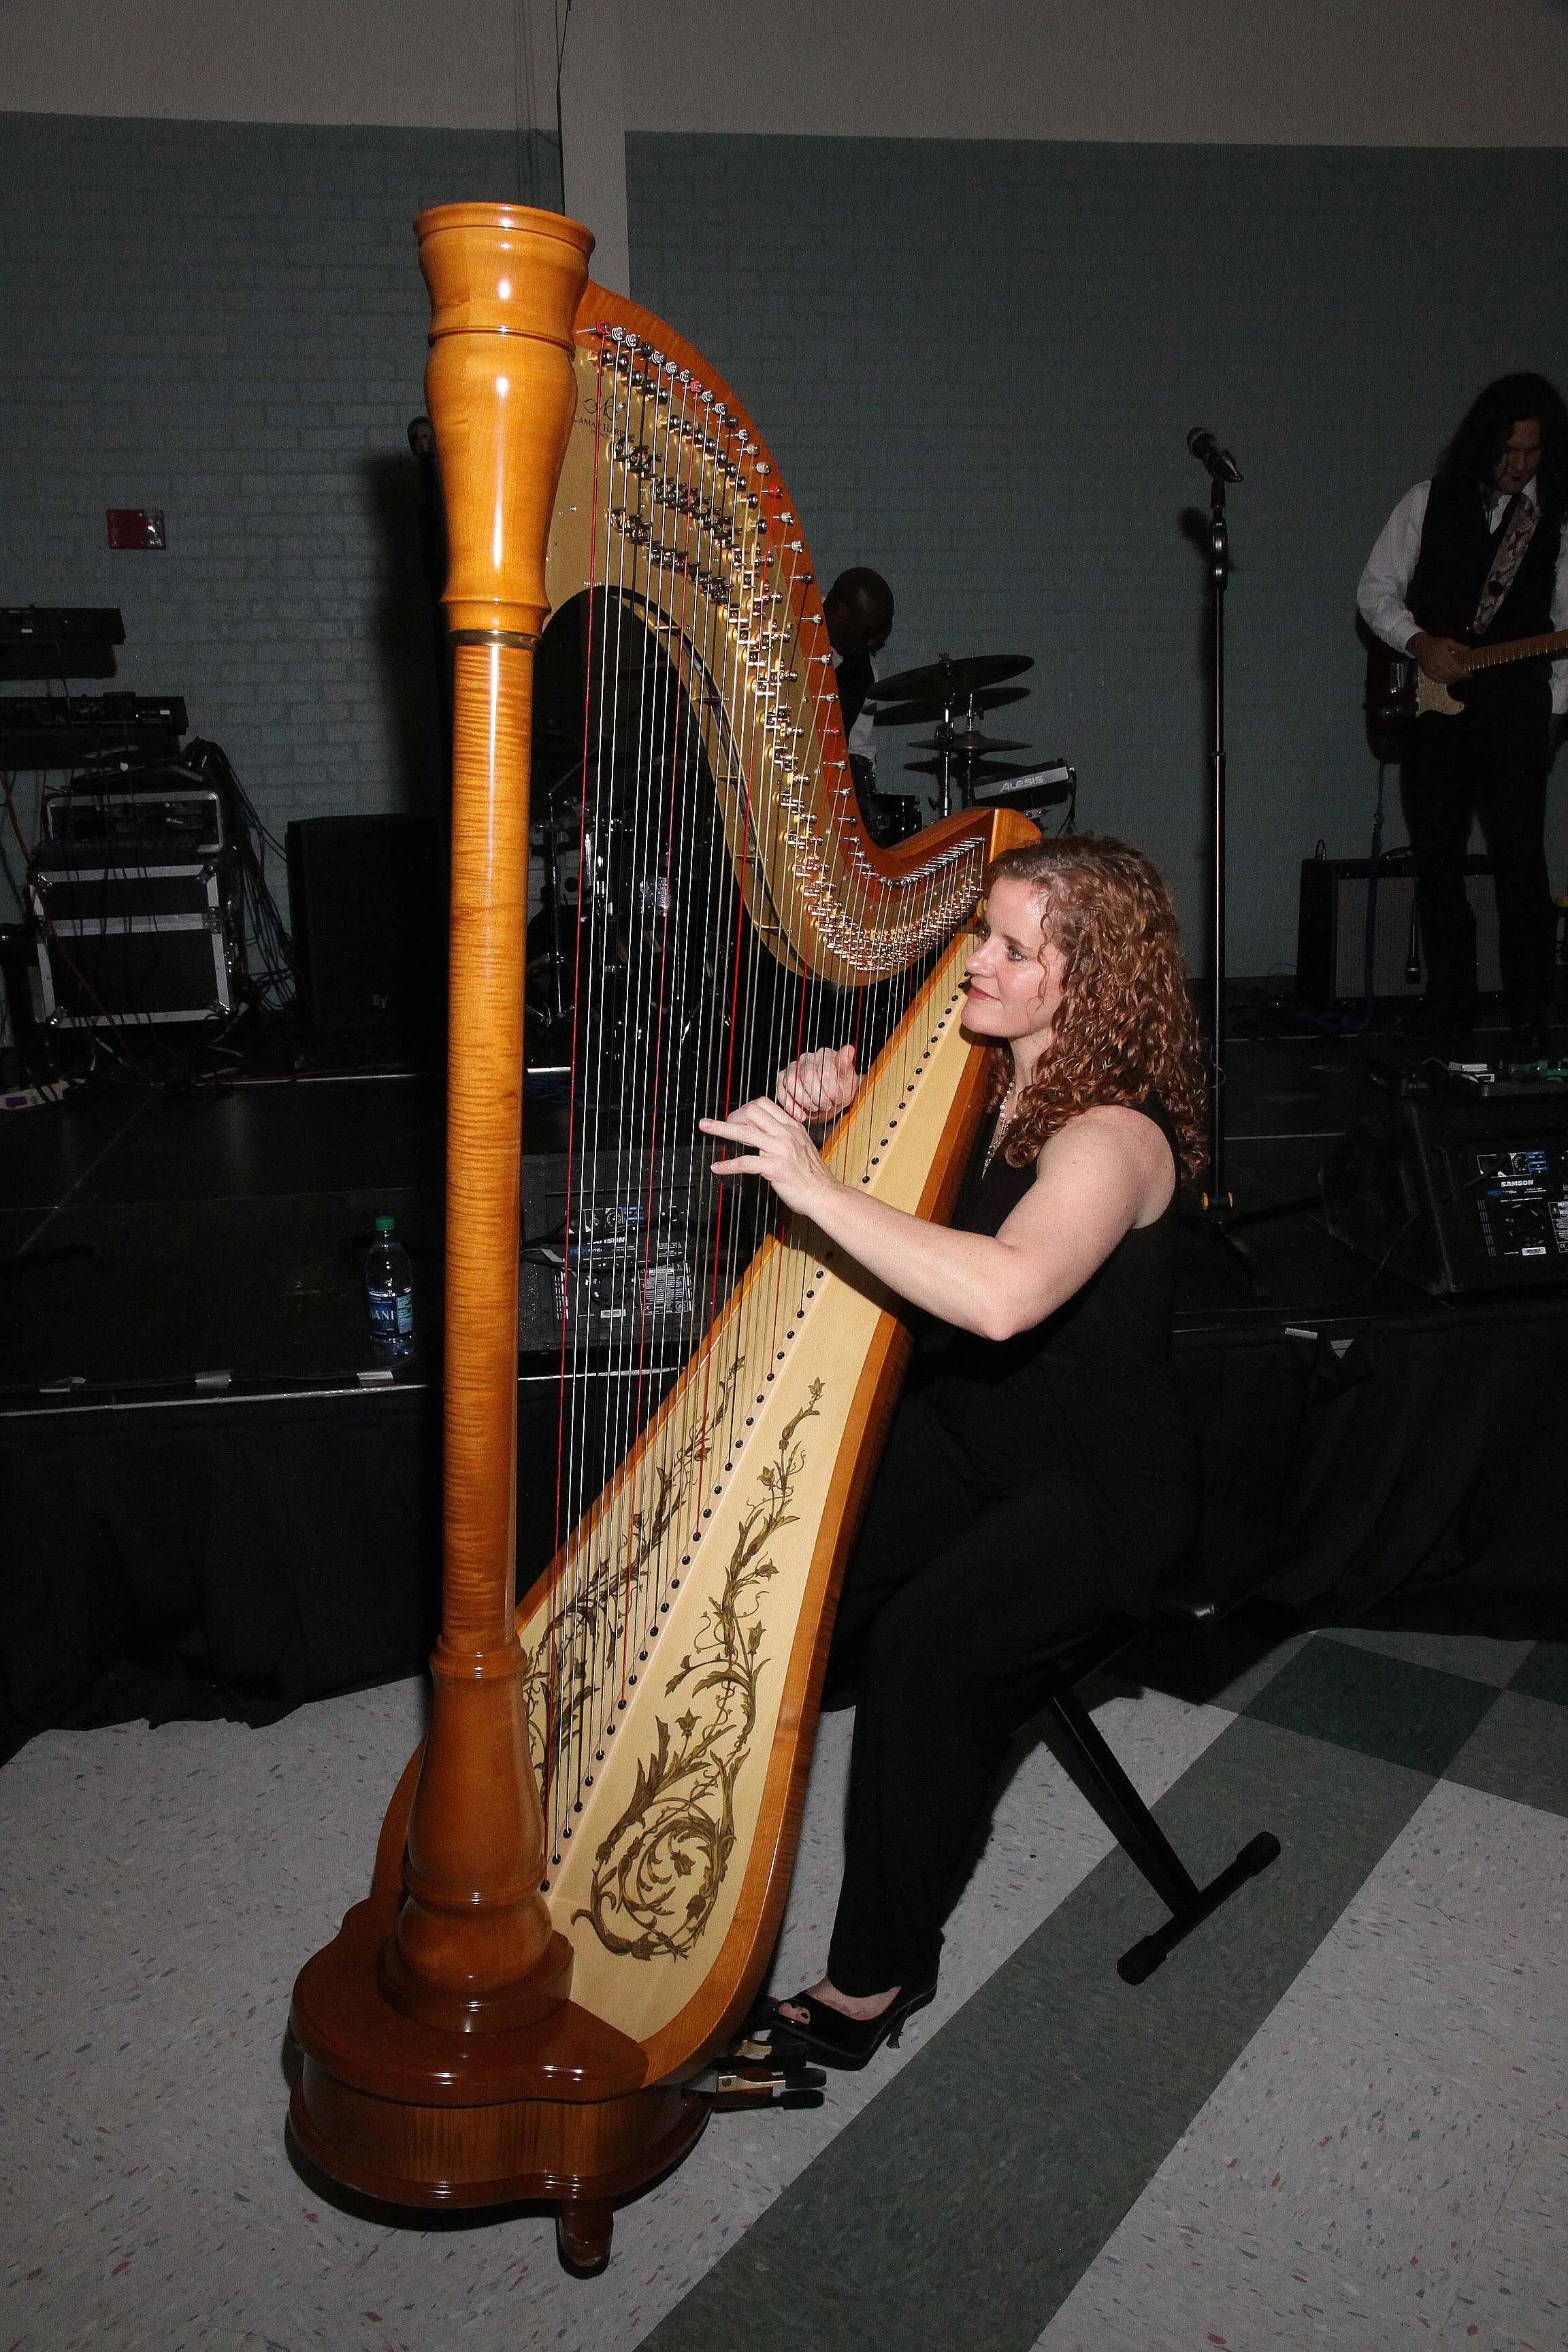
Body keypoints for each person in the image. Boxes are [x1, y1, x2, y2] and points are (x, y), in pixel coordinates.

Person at [699, 832, 1205, 2065]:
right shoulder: (974, 1072)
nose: (973, 961)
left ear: (1081, 984)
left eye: (1008, 948)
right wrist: (838, 1109)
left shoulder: (1113, 1139)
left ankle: (873, 1981)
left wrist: (814, 1186)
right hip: (972, 1431)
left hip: (1091, 1481)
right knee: (768, 1544)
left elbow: (1000, 1298)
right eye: (979, 931)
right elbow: (905, 1200)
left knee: (926, 1652)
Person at [1358, 373, 1568, 1051]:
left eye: (1533, 452)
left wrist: (1553, 715)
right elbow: (1375, 591)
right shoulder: (1426, 501)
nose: (1519, 465)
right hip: (1437, 708)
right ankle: (1452, 1004)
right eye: (1508, 450)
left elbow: (1564, 626)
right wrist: (1421, 644)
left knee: (1520, 863)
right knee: (1440, 861)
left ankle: (1531, 1009)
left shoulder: (1556, 522)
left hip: (1516, 709)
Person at [821, 567, 896, 839]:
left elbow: (851, 747)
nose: (869, 648)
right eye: (865, 637)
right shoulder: (791, 631)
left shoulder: (864, 669)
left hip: (841, 787)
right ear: (841, 614)